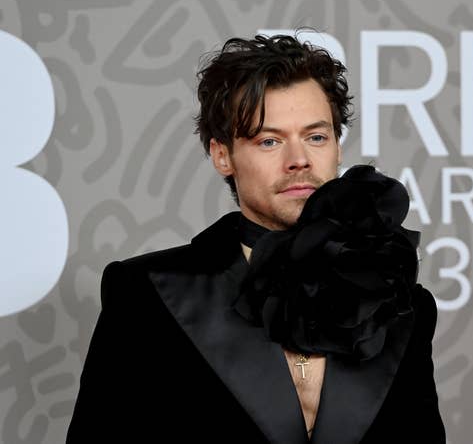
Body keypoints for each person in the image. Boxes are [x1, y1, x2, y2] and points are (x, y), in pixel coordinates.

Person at [66, 34, 445, 443]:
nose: (298, 159)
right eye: (269, 141)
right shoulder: (146, 295)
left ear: (337, 148)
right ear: (222, 155)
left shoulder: (404, 306)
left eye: (316, 137)